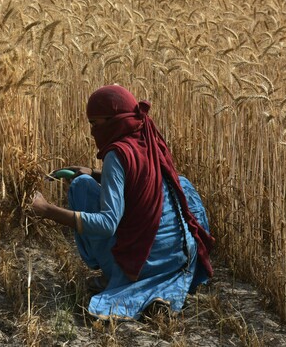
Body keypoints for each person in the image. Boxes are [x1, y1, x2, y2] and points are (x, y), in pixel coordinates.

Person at [30, 85, 214, 320]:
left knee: (81, 186)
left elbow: (107, 224)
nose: (93, 132)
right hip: (178, 259)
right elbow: (141, 179)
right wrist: (95, 173)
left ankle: (116, 276)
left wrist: (46, 210)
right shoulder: (148, 137)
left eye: (96, 124)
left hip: (144, 262)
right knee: (183, 183)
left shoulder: (117, 153)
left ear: (115, 120)